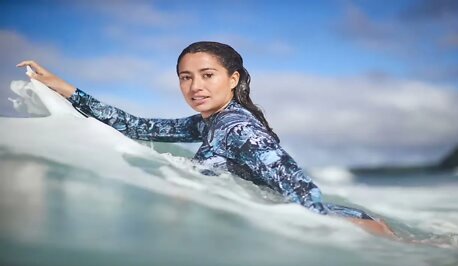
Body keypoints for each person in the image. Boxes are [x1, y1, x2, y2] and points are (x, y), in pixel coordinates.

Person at [17, 41, 394, 237]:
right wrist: (66, 89)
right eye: (185, 76)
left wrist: (329, 235)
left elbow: (302, 189)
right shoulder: (208, 123)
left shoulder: (237, 128)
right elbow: (137, 127)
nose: (195, 86)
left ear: (233, 79)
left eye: (207, 74)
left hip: (355, 230)